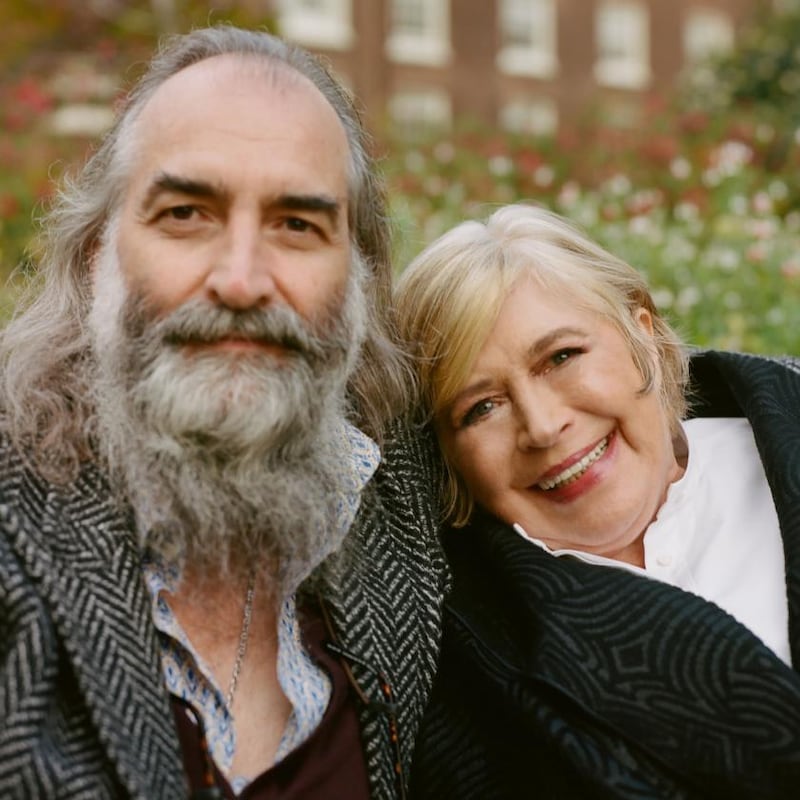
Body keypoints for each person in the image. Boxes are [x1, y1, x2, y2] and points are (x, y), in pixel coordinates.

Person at [0, 25, 447, 800]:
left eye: (297, 225)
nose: (241, 281)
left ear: (360, 281)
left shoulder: (402, 492)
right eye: (185, 213)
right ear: (94, 254)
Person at [395, 203, 800, 799]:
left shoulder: (781, 435)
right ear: (447, 460)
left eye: (561, 357)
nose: (542, 425)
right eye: (480, 407)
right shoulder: (451, 655)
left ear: (643, 334)